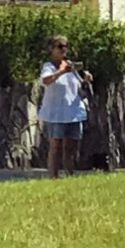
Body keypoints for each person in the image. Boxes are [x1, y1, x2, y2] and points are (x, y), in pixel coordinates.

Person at [38, 35, 91, 178]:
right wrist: (62, 71)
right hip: (56, 113)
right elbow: (46, 80)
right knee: (55, 146)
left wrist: (86, 79)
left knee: (71, 147)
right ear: (51, 49)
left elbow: (79, 86)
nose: (63, 49)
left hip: (73, 112)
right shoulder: (48, 67)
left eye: (65, 46)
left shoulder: (70, 66)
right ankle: (53, 176)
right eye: (60, 46)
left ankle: (69, 175)